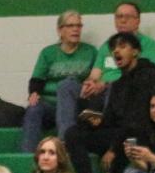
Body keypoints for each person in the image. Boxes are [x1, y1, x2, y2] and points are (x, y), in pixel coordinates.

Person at [62, 32, 155, 173]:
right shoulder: (118, 84)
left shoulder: (148, 76)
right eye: (114, 48)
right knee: (73, 133)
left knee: (125, 142)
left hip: (140, 135)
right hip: (120, 133)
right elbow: (110, 118)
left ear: (135, 51)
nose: (116, 51)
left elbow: (136, 119)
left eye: (122, 46)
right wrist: (88, 116)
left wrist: (113, 149)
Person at [20, 11, 97, 152]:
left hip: (76, 105)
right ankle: (27, 156)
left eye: (79, 26)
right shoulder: (48, 53)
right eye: (71, 25)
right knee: (33, 109)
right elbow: (37, 79)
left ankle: (63, 145)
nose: (76, 29)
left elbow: (95, 78)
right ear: (60, 30)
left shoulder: (91, 52)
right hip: (50, 105)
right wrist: (34, 93)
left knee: (66, 84)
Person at [83, 1, 155, 94]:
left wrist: (107, 84)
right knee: (70, 86)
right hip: (102, 91)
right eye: (119, 17)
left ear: (137, 21)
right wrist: (90, 84)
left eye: (128, 17)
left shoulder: (149, 44)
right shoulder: (106, 46)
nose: (123, 20)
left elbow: (146, 76)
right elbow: (95, 74)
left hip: (130, 90)